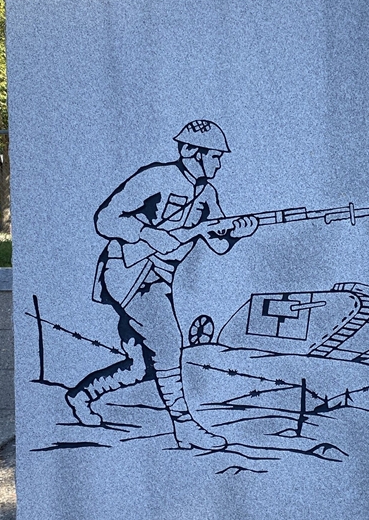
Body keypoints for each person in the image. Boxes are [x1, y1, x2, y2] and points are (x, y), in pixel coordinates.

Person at [65, 120, 258, 450]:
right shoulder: (155, 177)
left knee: (141, 366)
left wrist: (237, 232)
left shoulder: (208, 194)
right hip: (129, 271)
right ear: (191, 153)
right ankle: (184, 426)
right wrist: (147, 233)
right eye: (214, 155)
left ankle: (81, 396)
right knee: (169, 342)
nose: (219, 162)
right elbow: (105, 220)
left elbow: (219, 243)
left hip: (159, 278)